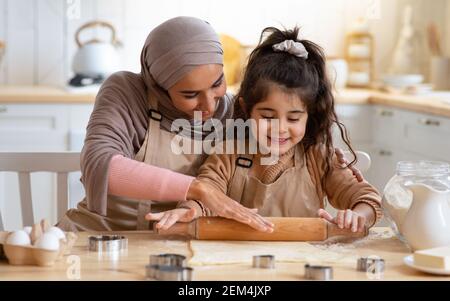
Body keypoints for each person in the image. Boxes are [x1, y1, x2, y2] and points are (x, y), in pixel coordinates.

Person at [147, 27, 382, 233]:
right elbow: (207, 193)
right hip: (240, 264)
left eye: (293, 118)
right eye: (268, 116)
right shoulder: (228, 154)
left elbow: (367, 199)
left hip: (303, 262)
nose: (280, 128)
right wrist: (190, 208)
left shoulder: (318, 157)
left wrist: (358, 216)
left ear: (309, 116)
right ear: (246, 109)